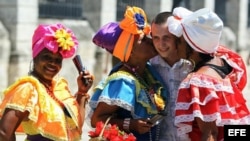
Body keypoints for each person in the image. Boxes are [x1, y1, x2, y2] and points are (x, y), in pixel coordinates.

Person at [167, 7, 250, 141]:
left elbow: (210, 134)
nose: (176, 46)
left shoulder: (199, 81)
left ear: (192, 46)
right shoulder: (225, 60)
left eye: (180, 41)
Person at [0, 23, 94, 141]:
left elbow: (75, 127)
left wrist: (82, 92)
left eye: (57, 60)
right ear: (35, 57)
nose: (52, 63)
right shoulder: (28, 89)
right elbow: (4, 132)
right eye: (47, 57)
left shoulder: (59, 88)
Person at [89, 6, 168, 141]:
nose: (151, 41)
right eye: (143, 40)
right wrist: (131, 124)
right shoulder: (122, 81)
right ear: (129, 52)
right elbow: (97, 120)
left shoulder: (148, 73)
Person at [150, 11, 193, 141]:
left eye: (166, 38)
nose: (161, 45)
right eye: (156, 38)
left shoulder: (192, 64)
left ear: (177, 37)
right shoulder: (149, 66)